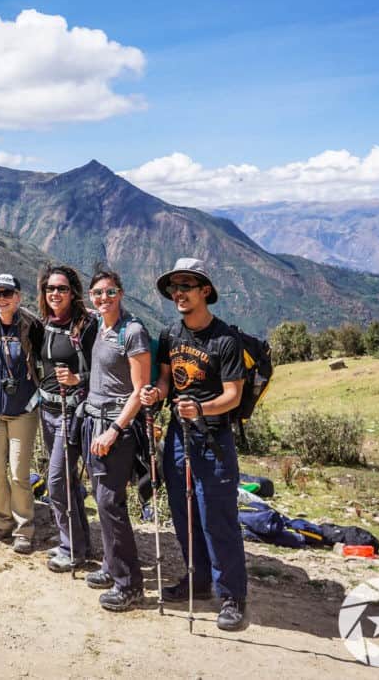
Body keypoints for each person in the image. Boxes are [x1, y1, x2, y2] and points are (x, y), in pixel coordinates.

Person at [139, 257, 249, 632]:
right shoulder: (171, 335)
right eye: (175, 287)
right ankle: (197, 580)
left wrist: (200, 407)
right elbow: (169, 381)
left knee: (217, 516)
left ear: (206, 291)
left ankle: (231, 595)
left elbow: (233, 395)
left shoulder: (225, 339)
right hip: (178, 436)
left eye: (187, 285)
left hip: (213, 438)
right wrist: (157, 392)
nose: (179, 293)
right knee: (183, 512)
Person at [79, 265, 151, 612]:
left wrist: (115, 430)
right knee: (102, 498)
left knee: (110, 502)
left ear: (120, 293)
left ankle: (130, 585)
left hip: (114, 428)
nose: (103, 298)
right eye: (97, 293)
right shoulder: (99, 327)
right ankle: (111, 566)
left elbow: (140, 391)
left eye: (109, 292)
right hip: (93, 422)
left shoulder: (133, 332)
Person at [35, 266, 97, 571]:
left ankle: (70, 546)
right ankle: (81, 542)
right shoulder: (45, 325)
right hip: (47, 410)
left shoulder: (85, 327)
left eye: (61, 288)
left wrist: (77, 378)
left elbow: (104, 370)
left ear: (73, 292)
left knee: (56, 481)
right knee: (67, 480)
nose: (55, 294)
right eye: (50, 289)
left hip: (72, 412)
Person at [0, 274, 44, 555]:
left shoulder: (31, 327)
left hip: (22, 412)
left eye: (7, 293)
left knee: (18, 473)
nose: (2, 299)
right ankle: (2, 522)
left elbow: (48, 360)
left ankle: (24, 529)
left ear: (18, 296)